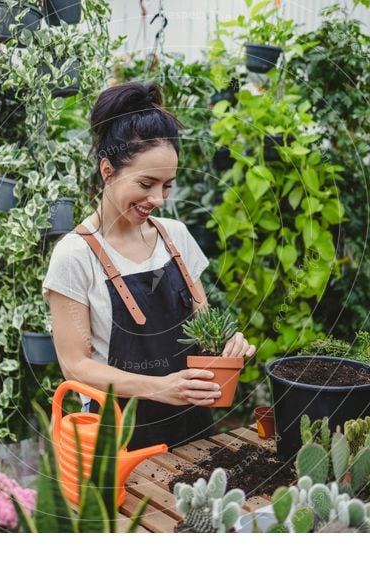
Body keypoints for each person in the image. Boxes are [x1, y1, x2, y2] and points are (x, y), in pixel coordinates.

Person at [43, 81, 255, 450]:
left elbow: (203, 329)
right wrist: (161, 388)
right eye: (146, 183)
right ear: (107, 170)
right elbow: (75, 366)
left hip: (191, 426)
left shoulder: (176, 237)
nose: (158, 199)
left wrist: (227, 347)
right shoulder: (74, 256)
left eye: (168, 186)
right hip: (116, 436)